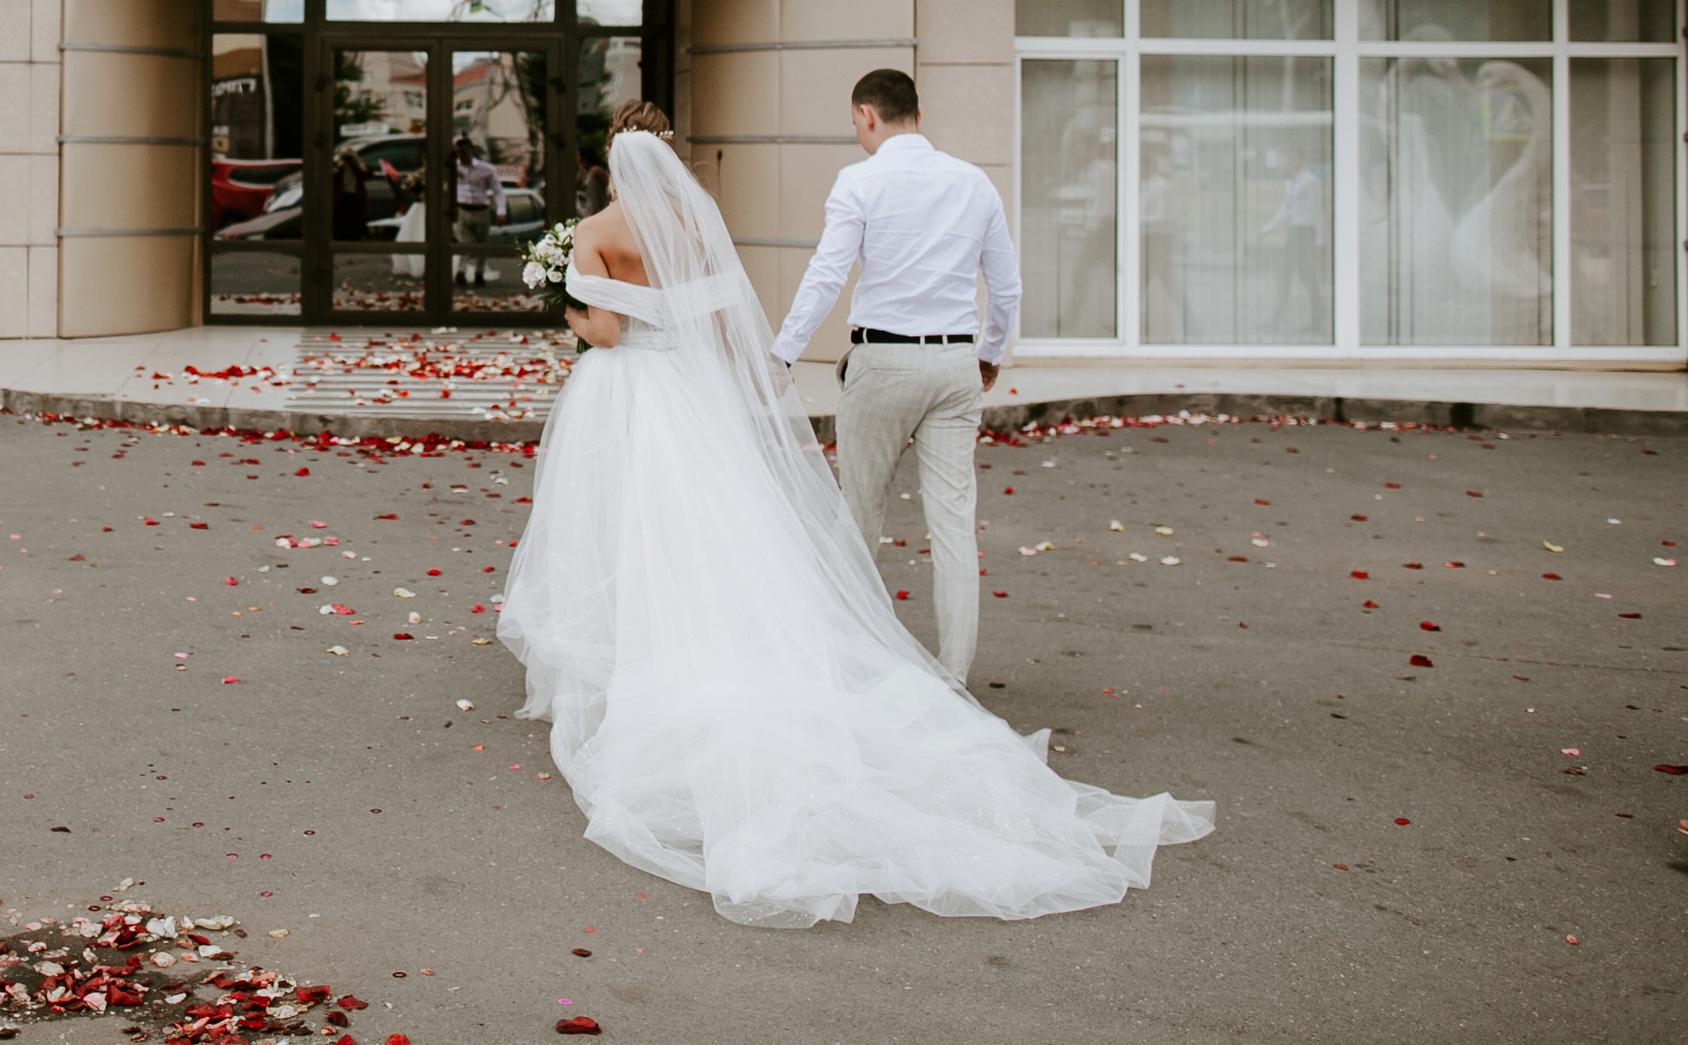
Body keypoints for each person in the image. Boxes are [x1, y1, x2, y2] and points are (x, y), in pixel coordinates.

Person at [497, 101, 1212, 928]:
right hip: (701, 396)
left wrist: (568, 304)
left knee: (626, 525)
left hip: (631, 397)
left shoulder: (595, 232)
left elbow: (611, 332)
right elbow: (726, 318)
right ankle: (918, 658)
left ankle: (623, 657)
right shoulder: (700, 226)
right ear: (668, 157)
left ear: (613, 162)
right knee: (720, 533)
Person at [770, 68, 1017, 687]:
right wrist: (988, 353)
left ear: (866, 115)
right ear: (919, 114)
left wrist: (782, 355)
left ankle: (853, 663)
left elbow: (828, 274)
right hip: (957, 364)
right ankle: (954, 676)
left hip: (883, 362)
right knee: (954, 526)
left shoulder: (860, 181)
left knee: (860, 515)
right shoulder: (974, 182)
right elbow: (1006, 288)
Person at [450, 135, 506, 284]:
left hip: (481, 209)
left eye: (464, 152)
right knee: (465, 243)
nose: (461, 155)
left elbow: (497, 190)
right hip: (462, 209)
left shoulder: (485, 169)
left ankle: (478, 272)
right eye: (459, 152)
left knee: (481, 243)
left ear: (472, 151)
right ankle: (461, 271)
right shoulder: (453, 167)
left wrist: (501, 211)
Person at [575, 141, 612, 216]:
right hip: (589, 209)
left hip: (599, 207)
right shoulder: (585, 172)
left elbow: (609, 186)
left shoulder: (596, 171)